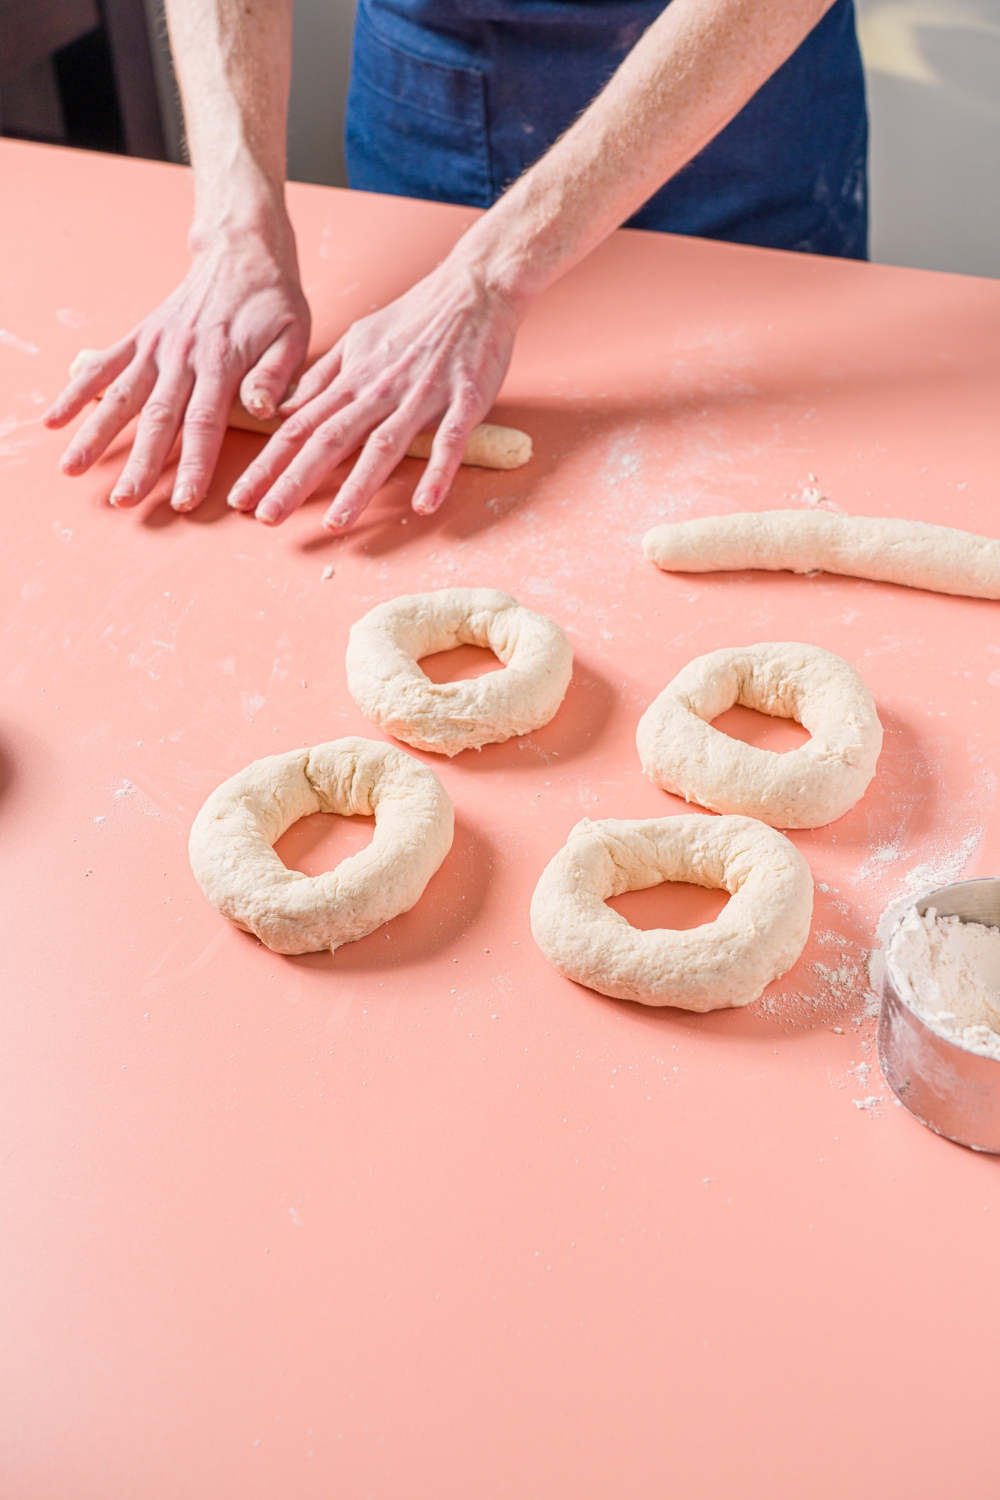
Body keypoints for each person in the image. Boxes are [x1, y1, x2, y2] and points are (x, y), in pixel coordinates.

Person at [43, 0, 867, 533]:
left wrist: (486, 278)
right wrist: (235, 225)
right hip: (432, 79)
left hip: (725, 97)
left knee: (770, 486)